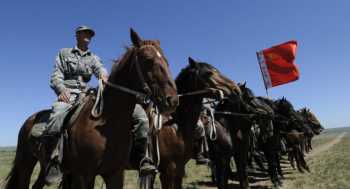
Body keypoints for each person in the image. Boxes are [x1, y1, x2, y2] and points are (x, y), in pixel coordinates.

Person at [45, 26, 155, 184]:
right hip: (69, 94)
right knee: (56, 117)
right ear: (77, 35)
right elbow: (56, 75)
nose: (88, 36)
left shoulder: (93, 58)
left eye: (90, 34)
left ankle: (138, 157)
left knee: (140, 117)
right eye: (85, 33)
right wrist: (61, 89)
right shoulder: (64, 53)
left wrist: (104, 76)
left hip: (87, 92)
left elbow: (101, 70)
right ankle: (53, 161)